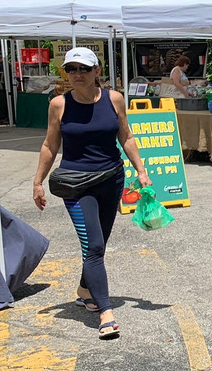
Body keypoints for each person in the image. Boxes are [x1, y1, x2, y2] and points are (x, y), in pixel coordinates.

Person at [32, 47, 151, 340]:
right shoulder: (59, 105)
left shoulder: (114, 99)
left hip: (111, 179)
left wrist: (141, 170)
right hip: (75, 185)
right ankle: (105, 311)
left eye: (84, 69)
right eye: (71, 69)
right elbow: (50, 146)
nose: (77, 75)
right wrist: (37, 182)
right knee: (95, 245)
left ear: (97, 71)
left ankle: (85, 289)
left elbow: (126, 136)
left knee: (98, 243)